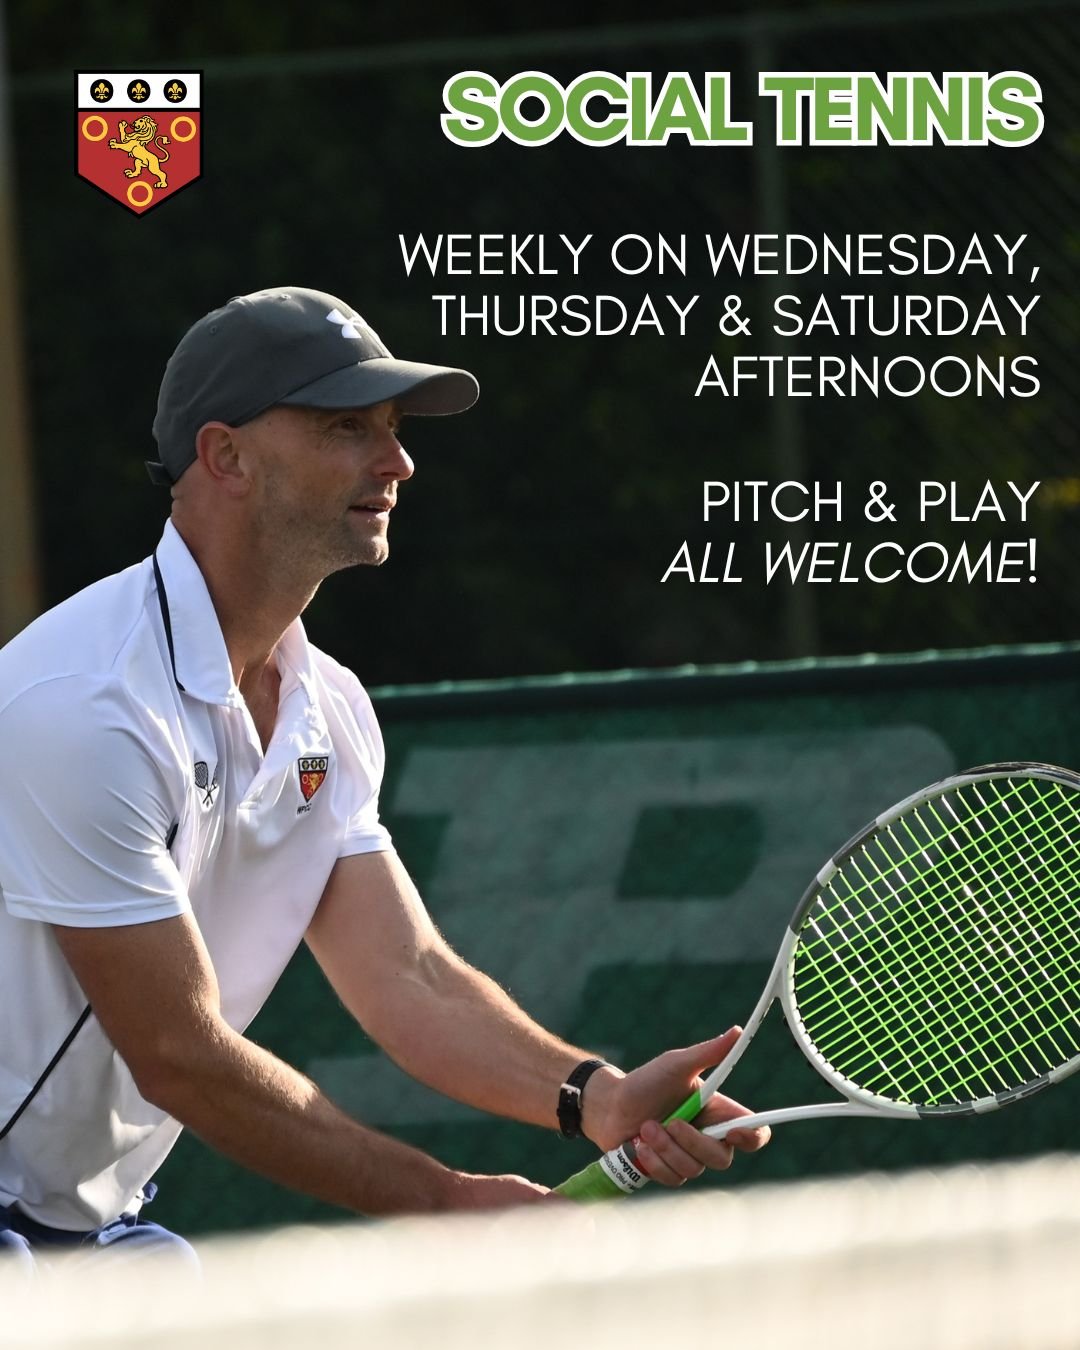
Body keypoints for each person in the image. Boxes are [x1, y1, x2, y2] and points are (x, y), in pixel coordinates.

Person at [0, 286, 768, 1266]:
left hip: (93, 1233)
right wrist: (445, 1201)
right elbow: (180, 1058)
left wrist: (598, 1097)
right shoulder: (87, 707)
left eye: (395, 428)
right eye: (346, 427)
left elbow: (407, 976)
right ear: (223, 455)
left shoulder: (329, 709)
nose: (397, 461)